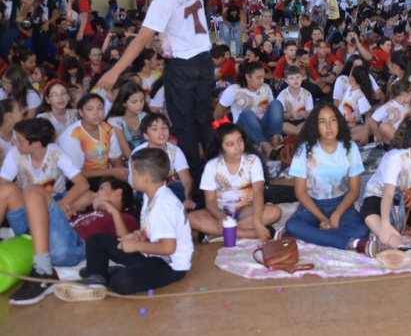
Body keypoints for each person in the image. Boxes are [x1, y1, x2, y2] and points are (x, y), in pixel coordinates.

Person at [96, 0, 215, 181]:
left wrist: (115, 70)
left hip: (183, 67)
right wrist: (165, 44)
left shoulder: (162, 0)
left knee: (184, 124)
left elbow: (140, 41)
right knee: (204, 120)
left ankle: (195, 180)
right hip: (203, 61)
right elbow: (184, 29)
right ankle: (213, 173)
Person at [78, 148, 194, 296]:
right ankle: (96, 278)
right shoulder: (150, 195)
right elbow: (150, 229)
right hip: (150, 254)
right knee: (97, 240)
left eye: (134, 173)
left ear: (145, 178)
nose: (131, 178)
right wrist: (137, 234)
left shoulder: (163, 205)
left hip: (169, 265)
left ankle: (112, 274)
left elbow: (168, 248)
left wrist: (135, 245)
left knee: (120, 283)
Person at [0, 118, 89, 305]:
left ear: (36, 144)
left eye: (21, 141)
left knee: (33, 191)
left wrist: (63, 203)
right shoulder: (16, 154)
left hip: (53, 212)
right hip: (30, 221)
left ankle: (43, 271)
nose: (16, 144)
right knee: (6, 190)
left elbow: (83, 184)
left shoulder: (55, 154)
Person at [356, 119, 411, 259]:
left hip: (404, 204)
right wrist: (385, 223)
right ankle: (402, 248)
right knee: (369, 214)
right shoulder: (395, 159)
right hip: (379, 198)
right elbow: (388, 192)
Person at [284, 104, 368, 250]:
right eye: (322, 122)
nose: (329, 126)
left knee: (362, 230)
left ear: (339, 122)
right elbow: (300, 192)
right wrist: (322, 218)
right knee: (292, 225)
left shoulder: (350, 148)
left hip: (341, 205)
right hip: (311, 206)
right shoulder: (304, 149)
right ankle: (349, 243)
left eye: (332, 120)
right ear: (315, 126)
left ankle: (316, 235)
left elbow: (354, 190)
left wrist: (336, 215)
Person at [188, 123, 281, 242]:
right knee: (191, 218)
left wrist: (257, 221)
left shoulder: (253, 161)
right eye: (230, 145)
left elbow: (258, 193)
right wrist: (221, 216)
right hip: (221, 212)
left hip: (247, 211)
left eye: (239, 141)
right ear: (221, 148)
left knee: (274, 212)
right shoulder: (212, 166)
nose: (237, 148)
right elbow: (210, 201)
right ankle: (247, 233)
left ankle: (218, 233)